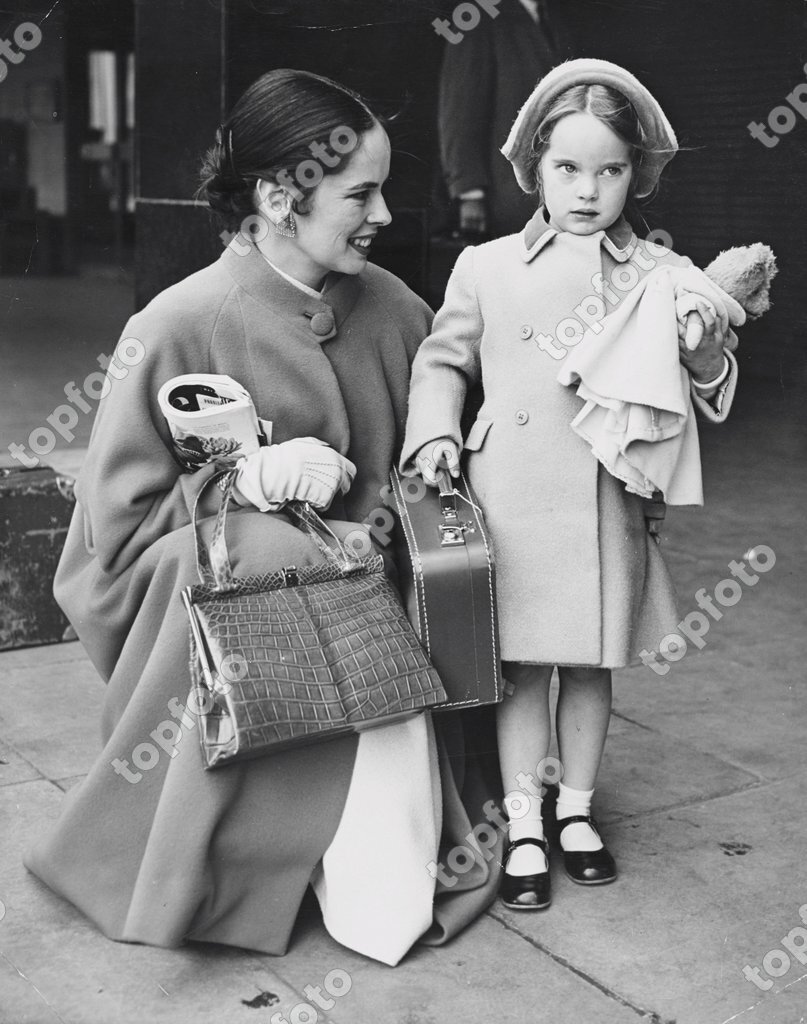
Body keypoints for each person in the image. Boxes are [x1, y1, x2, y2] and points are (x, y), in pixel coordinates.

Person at [24, 69, 498, 964]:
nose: (385, 215)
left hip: (375, 621)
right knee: (277, 548)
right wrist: (242, 486)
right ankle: (294, 862)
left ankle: (369, 872)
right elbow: (108, 551)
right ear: (281, 199)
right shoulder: (176, 322)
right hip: (219, 626)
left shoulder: (400, 312)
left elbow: (448, 477)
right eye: (361, 193)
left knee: (333, 571)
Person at [401, 59, 739, 910]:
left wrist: (703, 346)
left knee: (589, 661)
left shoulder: (657, 272)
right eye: (566, 169)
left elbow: (703, 375)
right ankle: (522, 821)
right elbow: (444, 359)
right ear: (533, 169)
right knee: (519, 665)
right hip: (510, 488)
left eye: (610, 170)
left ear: (637, 172)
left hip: (602, 491)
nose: (587, 190)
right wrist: (437, 431)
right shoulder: (485, 265)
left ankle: (577, 811)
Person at [437, 0, 574, 239]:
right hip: (502, 201)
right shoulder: (477, 16)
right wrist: (470, 193)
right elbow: (460, 113)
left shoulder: (551, 15)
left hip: (546, 197)